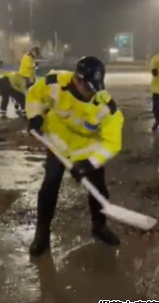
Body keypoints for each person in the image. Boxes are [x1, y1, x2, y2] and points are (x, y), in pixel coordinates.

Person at [26, 56, 124, 257]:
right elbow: (34, 95)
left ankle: (99, 227)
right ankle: (42, 233)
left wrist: (90, 164)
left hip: (87, 150)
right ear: (76, 79)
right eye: (86, 86)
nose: (90, 92)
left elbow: (112, 143)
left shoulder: (106, 106)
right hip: (58, 144)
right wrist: (35, 115)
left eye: (94, 87)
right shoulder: (55, 83)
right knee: (50, 185)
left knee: (99, 191)